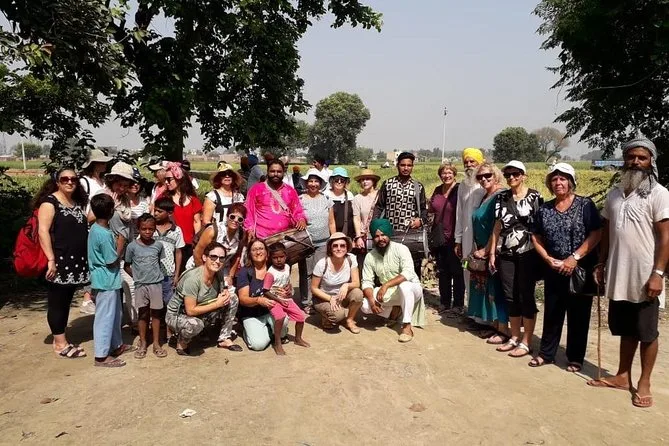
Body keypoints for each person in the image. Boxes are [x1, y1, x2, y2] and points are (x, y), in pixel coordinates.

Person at [588, 138, 669, 409]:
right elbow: (608, 232)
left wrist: (658, 273)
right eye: (631, 157)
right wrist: (601, 264)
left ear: (651, 161)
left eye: (642, 157)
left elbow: (666, 237)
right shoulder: (615, 193)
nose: (635, 162)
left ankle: (644, 382)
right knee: (626, 328)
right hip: (618, 272)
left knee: (647, 332)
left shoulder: (659, 193)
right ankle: (623, 376)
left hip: (646, 275)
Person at [529, 163, 602, 371]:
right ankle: (546, 353)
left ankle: (575, 357)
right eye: (554, 179)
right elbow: (536, 236)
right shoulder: (545, 209)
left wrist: (574, 257)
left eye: (562, 179)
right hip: (554, 268)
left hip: (579, 268)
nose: (558, 183)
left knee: (579, 315)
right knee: (552, 312)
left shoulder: (585, 205)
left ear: (571, 182)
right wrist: (547, 258)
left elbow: (596, 233)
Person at [489, 161, 543, 358]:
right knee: (510, 295)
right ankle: (514, 336)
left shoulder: (535, 197)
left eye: (515, 174)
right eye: (508, 174)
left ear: (523, 175)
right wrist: (492, 252)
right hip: (506, 253)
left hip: (528, 253)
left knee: (525, 295)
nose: (511, 177)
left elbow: (540, 227)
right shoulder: (501, 197)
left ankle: (526, 340)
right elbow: (497, 226)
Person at [36, 168, 90, 358]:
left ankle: (61, 338)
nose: (69, 182)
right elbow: (42, 231)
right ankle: (60, 344)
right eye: (65, 179)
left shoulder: (75, 202)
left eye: (73, 179)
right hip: (59, 261)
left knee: (66, 301)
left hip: (75, 261)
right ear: (57, 182)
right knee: (57, 302)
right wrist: (51, 259)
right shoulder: (49, 203)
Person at [166, 242, 241, 355]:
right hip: (178, 314)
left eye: (221, 258)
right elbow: (190, 311)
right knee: (195, 325)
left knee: (232, 298)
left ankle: (224, 338)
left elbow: (222, 290)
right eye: (213, 257)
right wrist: (217, 304)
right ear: (205, 257)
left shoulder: (218, 273)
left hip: (202, 306)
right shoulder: (193, 279)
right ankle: (181, 341)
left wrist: (225, 291)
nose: (217, 261)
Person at [360, 219, 426, 342]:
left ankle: (407, 326)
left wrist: (386, 285)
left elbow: (408, 273)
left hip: (411, 290)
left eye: (383, 235)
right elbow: (367, 281)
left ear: (389, 235)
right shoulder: (370, 256)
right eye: (377, 236)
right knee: (365, 305)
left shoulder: (401, 249)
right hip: (390, 292)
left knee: (404, 286)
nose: (380, 239)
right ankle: (394, 310)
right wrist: (372, 302)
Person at [88, 194, 132, 367]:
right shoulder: (104, 234)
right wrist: (121, 242)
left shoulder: (95, 229)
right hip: (105, 280)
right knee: (105, 317)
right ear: (112, 211)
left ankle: (116, 345)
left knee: (115, 314)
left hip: (107, 279)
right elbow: (111, 260)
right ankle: (101, 355)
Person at [466, 163, 507, 342]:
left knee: (495, 288)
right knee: (485, 287)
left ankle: (501, 329)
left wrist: (487, 249)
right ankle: (490, 324)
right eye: (480, 177)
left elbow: (498, 226)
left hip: (493, 250)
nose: (484, 179)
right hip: (481, 248)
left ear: (496, 175)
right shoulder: (485, 195)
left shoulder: (500, 196)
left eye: (487, 175)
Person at [124, 214, 168, 359]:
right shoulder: (132, 247)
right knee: (143, 314)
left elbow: (158, 263)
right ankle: (143, 342)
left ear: (155, 229)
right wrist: (137, 277)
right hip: (140, 285)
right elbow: (126, 266)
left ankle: (156, 343)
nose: (147, 232)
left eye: (151, 229)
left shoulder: (158, 246)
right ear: (138, 229)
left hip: (156, 284)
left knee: (156, 314)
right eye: (144, 229)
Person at [236, 240, 290, 351]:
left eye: (261, 248)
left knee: (283, 323)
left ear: (267, 252)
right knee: (258, 345)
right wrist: (258, 300)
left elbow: (286, 286)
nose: (258, 252)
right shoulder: (244, 272)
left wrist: (288, 290)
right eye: (254, 250)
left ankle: (268, 330)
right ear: (249, 254)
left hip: (271, 310)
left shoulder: (274, 267)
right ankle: (250, 330)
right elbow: (243, 299)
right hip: (251, 314)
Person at [78, 149, 112, 315]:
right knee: (93, 261)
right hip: (90, 225)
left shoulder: (103, 181)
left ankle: (94, 296)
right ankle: (87, 298)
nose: (104, 164)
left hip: (103, 224)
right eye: (101, 162)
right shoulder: (84, 182)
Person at [429, 162, 464, 315]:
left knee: (457, 271)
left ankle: (458, 304)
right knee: (443, 271)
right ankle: (444, 302)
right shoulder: (437, 190)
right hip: (440, 238)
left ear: (454, 174)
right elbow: (431, 210)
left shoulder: (460, 190)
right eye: (444, 173)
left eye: (449, 172)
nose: (446, 175)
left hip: (455, 238)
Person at [263, 242, 310, 355]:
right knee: (280, 318)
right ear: (270, 258)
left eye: (281, 256)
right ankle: (277, 342)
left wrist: (289, 287)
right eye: (275, 258)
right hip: (274, 300)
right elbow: (266, 291)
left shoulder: (287, 267)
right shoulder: (270, 273)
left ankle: (298, 338)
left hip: (286, 299)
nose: (279, 260)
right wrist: (279, 300)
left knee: (300, 317)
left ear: (286, 256)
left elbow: (287, 281)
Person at [311, 233, 363, 333]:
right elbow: (314, 288)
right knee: (338, 316)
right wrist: (330, 298)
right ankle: (326, 315)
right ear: (330, 248)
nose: (339, 249)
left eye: (342, 246)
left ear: (347, 247)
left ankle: (350, 320)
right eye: (335, 246)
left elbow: (356, 283)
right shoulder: (322, 263)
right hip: (324, 298)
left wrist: (346, 285)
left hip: (341, 296)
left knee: (358, 294)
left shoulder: (351, 259)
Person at [244, 158, 307, 240]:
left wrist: (301, 219)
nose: (276, 174)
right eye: (272, 171)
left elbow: (297, 210)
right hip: (263, 238)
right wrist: (249, 229)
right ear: (267, 172)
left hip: (286, 237)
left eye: (279, 172)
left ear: (283, 173)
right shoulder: (256, 189)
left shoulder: (290, 191)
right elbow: (248, 211)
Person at [298, 168, 332, 314]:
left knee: (321, 272)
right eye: (310, 181)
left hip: (323, 242)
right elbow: (296, 218)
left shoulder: (326, 199)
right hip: (306, 242)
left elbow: (331, 222)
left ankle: (318, 299)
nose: (313, 184)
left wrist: (334, 239)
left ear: (320, 183)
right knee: (307, 273)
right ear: (306, 183)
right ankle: (307, 302)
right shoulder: (300, 199)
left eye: (316, 181)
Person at [454, 147, 484, 302]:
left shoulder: (486, 183)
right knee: (467, 268)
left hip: (482, 237)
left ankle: (483, 312)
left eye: (473, 161)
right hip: (466, 237)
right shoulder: (463, 185)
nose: (469, 165)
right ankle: (472, 308)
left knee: (483, 271)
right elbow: (459, 214)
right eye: (466, 162)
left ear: (480, 163)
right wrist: (458, 240)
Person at [191, 203, 246, 287]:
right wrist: (205, 275)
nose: (235, 220)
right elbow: (197, 254)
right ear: (227, 216)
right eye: (232, 217)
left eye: (240, 219)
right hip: (200, 266)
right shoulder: (213, 231)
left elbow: (237, 256)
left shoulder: (241, 234)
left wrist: (231, 276)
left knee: (229, 292)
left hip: (221, 268)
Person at [161, 162, 202, 271]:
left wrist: (197, 242)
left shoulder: (194, 201)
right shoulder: (163, 199)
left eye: (169, 179)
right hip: (168, 244)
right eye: (165, 179)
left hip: (188, 245)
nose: (166, 182)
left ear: (179, 179)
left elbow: (197, 222)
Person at [373, 152, 427, 233]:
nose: (406, 168)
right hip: (389, 232)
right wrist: (376, 225)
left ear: (412, 166)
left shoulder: (418, 187)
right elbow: (379, 207)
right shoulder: (388, 184)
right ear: (397, 165)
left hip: (410, 233)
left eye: (409, 165)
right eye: (402, 165)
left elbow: (423, 209)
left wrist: (420, 221)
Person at [152, 197, 185, 307]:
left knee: (169, 303)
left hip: (168, 274)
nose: (156, 213)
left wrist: (176, 274)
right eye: (155, 210)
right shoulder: (150, 228)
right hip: (152, 274)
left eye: (159, 211)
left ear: (169, 213)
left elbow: (178, 252)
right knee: (154, 304)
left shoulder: (176, 230)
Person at [352, 169, 380, 267]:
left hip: (380, 235)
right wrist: (358, 237)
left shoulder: (380, 196)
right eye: (362, 180)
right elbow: (356, 219)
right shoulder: (357, 198)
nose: (365, 182)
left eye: (368, 179)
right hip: (365, 236)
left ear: (373, 181)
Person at [326, 167, 356, 240]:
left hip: (348, 235)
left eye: (342, 180)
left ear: (345, 182)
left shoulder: (349, 195)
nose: (339, 182)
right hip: (329, 235)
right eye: (336, 180)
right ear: (332, 181)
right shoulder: (326, 195)